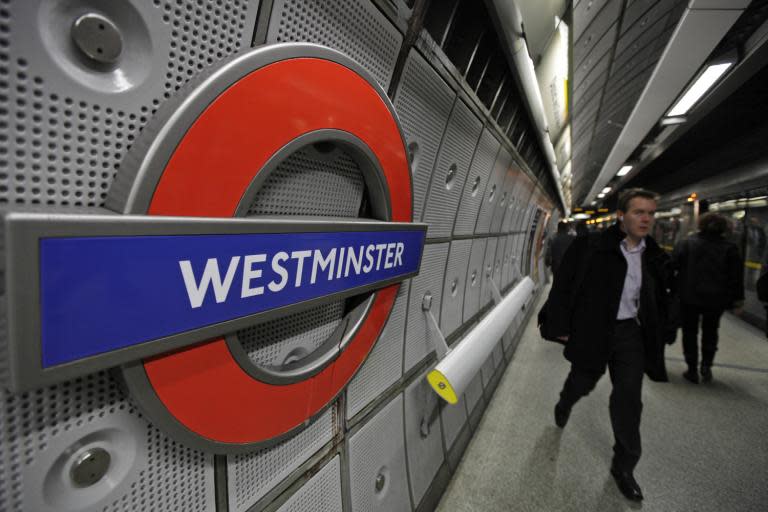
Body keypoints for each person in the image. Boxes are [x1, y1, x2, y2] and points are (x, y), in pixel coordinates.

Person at [545, 188, 673, 502]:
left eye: (650, 213)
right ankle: (565, 402)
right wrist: (559, 326)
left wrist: (665, 328)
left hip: (630, 333)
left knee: (629, 397)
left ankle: (624, 467)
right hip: (594, 329)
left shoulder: (653, 254)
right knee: (583, 381)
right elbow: (563, 285)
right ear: (621, 215)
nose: (646, 219)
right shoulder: (591, 247)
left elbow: (662, 297)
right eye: (638, 212)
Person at [672, 212, 744, 383]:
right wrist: (738, 300)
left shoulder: (686, 244)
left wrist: (672, 289)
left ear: (701, 225)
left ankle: (691, 369)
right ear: (724, 228)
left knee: (690, 332)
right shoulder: (730, 248)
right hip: (716, 299)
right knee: (711, 331)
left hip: (689, 297)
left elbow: (673, 266)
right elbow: (736, 277)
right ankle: (706, 366)